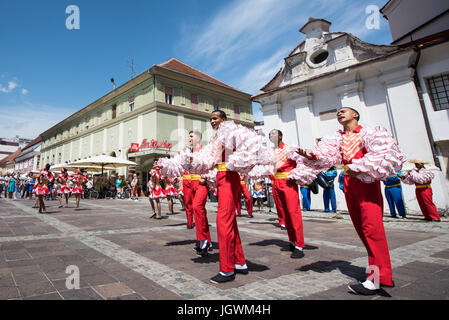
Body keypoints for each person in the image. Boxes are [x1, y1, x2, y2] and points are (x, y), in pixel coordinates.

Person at [298, 106, 405, 295]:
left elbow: (382, 153)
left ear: (355, 115)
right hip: (349, 182)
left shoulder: (369, 133)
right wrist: (309, 155)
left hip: (366, 181)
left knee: (372, 229)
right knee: (362, 229)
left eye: (344, 111)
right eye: (338, 111)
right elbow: (325, 155)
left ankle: (378, 278)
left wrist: (361, 167)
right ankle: (380, 275)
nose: (340, 113)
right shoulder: (337, 138)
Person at [157, 110, 271, 283]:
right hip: (221, 178)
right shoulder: (216, 139)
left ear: (224, 120)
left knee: (223, 221)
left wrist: (239, 162)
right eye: (210, 119)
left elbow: (250, 147)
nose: (212, 121)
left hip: (229, 177)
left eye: (215, 118)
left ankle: (227, 270)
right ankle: (239, 263)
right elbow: (206, 160)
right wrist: (179, 162)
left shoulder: (232, 132)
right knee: (229, 221)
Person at [268, 129, 310, 259]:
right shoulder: (270, 151)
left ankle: (299, 244)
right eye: (270, 135)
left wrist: (297, 175)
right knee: (284, 213)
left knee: (293, 212)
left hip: (288, 182)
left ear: (280, 136)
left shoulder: (289, 149)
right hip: (276, 182)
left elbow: (303, 162)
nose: (271, 136)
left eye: (274, 134)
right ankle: (292, 240)